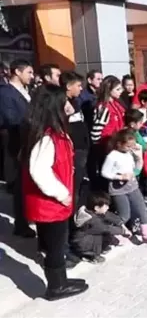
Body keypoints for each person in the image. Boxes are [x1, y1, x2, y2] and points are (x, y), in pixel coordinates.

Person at [21, 84, 89, 300]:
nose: (68, 106)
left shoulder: (55, 132)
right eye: (64, 103)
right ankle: (56, 287)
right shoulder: (47, 137)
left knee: (57, 244)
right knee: (55, 247)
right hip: (50, 203)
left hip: (54, 203)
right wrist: (61, 193)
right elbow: (39, 170)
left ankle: (61, 279)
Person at [100, 129, 147, 243]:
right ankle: (114, 231)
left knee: (142, 209)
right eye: (128, 146)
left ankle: (146, 233)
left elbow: (136, 170)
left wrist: (139, 157)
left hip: (132, 186)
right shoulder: (113, 156)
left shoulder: (129, 153)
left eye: (132, 145)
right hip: (118, 190)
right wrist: (120, 177)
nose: (130, 148)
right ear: (119, 144)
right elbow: (104, 172)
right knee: (124, 215)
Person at [0, 59, 35, 238]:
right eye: (29, 72)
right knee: (19, 186)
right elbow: (10, 118)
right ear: (17, 72)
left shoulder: (27, 91)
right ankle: (21, 224)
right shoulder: (6, 93)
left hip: (28, 142)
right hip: (15, 144)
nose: (32, 76)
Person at [59, 71, 89, 268]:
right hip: (70, 154)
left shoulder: (76, 102)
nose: (80, 89)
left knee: (78, 195)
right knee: (69, 197)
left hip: (81, 151)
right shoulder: (60, 104)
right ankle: (62, 247)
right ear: (68, 86)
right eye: (78, 85)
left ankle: (74, 237)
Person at [70, 192, 132, 263]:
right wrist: (123, 231)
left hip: (84, 239)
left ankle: (98, 249)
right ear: (96, 208)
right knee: (101, 234)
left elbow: (109, 215)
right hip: (81, 243)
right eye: (105, 206)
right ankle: (91, 255)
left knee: (104, 233)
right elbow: (106, 228)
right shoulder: (92, 220)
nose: (108, 207)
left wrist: (120, 223)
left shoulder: (93, 211)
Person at [90, 76, 125, 188]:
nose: (121, 91)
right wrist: (101, 149)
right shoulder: (103, 107)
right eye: (118, 89)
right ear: (109, 90)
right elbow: (96, 131)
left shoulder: (116, 104)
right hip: (107, 146)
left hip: (117, 144)